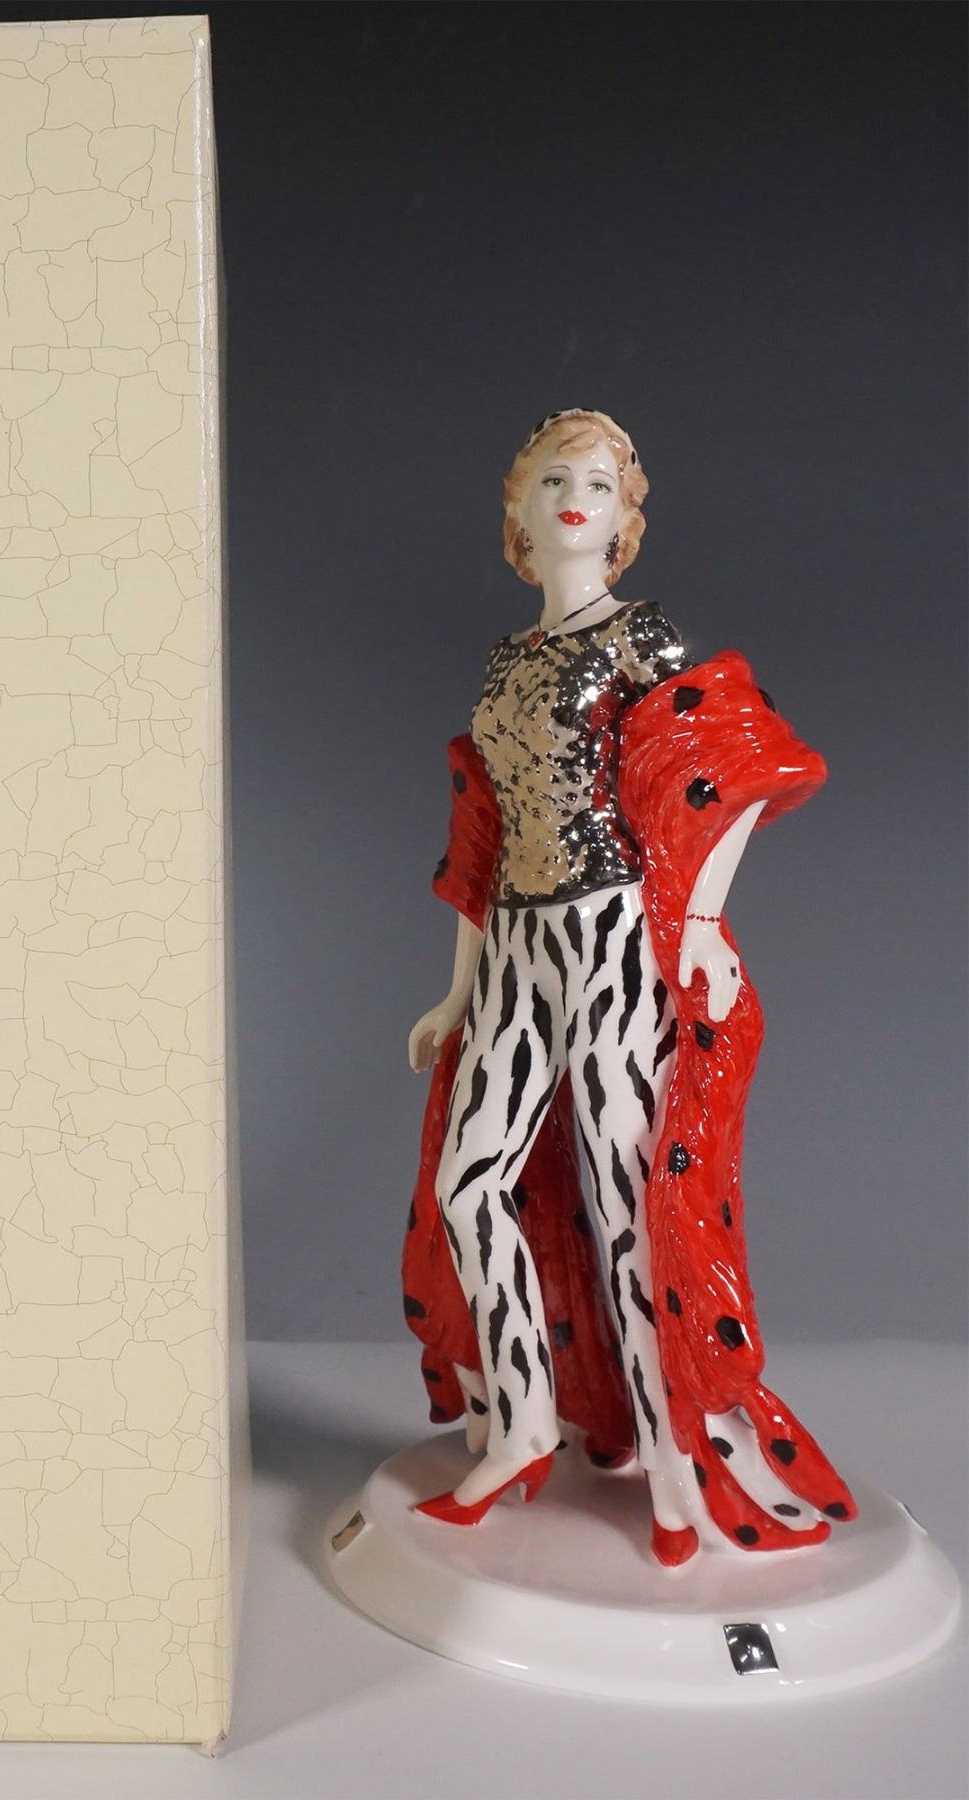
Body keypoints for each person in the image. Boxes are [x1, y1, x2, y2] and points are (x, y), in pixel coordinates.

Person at [401, 409, 856, 1566]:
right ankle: (523, 1422)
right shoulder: (506, 662)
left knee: (625, 1202)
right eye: (554, 478)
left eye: (599, 483)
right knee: (468, 1184)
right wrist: (457, 993)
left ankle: (670, 1460)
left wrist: (697, 919)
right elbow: (484, 837)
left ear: (623, 517)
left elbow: (744, 760)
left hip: (610, 935)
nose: (575, 497)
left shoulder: (640, 638)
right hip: (515, 943)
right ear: (517, 508)